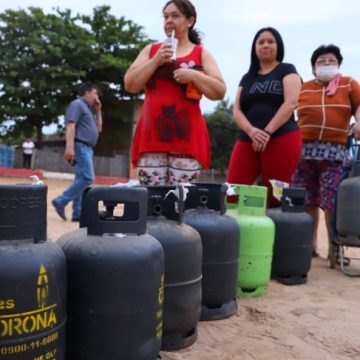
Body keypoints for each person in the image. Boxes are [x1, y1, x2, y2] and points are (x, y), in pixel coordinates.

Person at [125, 0, 226, 185]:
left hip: (186, 138)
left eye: (175, 16)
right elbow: (130, 84)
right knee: (151, 200)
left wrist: (194, 75)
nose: (169, 20)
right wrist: (155, 61)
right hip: (151, 137)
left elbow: (219, 91)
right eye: (166, 16)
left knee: (181, 202)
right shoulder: (152, 50)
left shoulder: (201, 53)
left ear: (190, 21)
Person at [291, 44, 360, 261]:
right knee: (307, 201)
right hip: (303, 152)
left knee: (332, 201)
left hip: (335, 153)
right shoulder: (303, 87)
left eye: (331, 61)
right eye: (321, 61)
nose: (327, 64)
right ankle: (309, 246)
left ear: (338, 65)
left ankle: (334, 247)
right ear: (313, 68)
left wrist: (359, 123)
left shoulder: (348, 84)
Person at [226, 27, 302, 206]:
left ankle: (277, 233)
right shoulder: (247, 78)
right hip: (248, 139)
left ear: (278, 46)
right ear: (254, 48)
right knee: (231, 192)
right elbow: (237, 110)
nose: (265, 45)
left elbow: (291, 103)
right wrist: (252, 131)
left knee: (276, 196)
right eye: (261, 42)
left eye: (270, 41)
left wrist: (267, 132)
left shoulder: (287, 69)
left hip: (282, 137)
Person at [52, 82, 102, 222]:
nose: (97, 96)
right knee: (87, 178)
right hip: (80, 146)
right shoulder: (77, 104)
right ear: (87, 93)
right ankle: (61, 201)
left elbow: (99, 129)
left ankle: (77, 213)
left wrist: (98, 111)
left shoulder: (88, 109)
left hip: (87, 148)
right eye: (95, 93)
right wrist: (69, 147)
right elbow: (70, 125)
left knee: (81, 179)